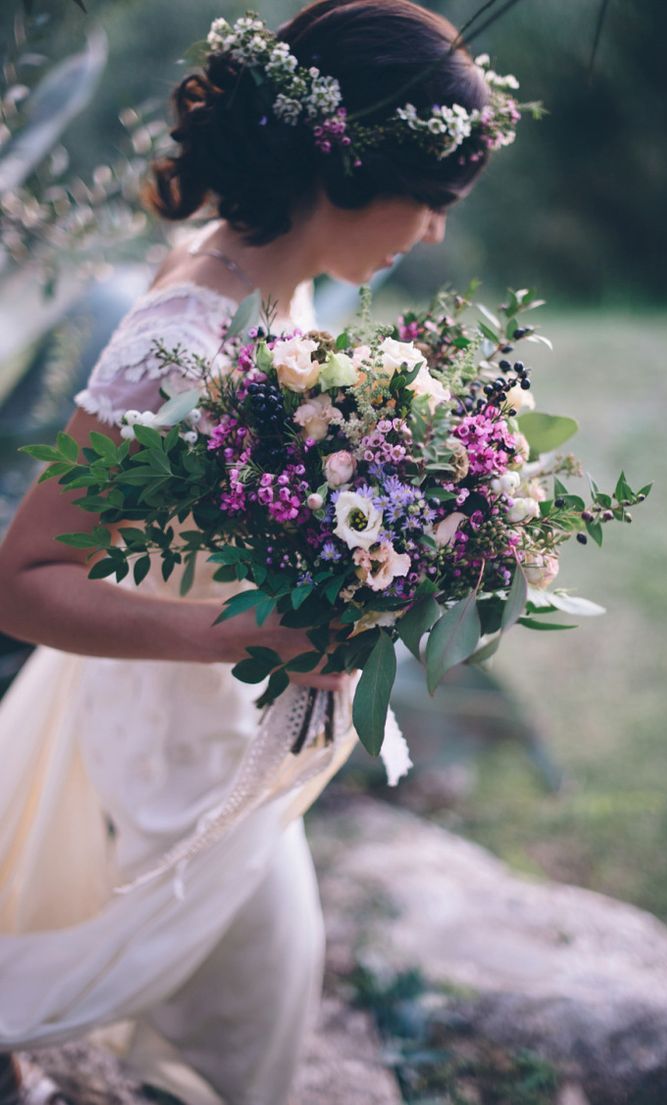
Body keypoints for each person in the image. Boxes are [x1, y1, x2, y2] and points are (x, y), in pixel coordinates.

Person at [0, 1, 522, 1102]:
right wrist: (248, 632)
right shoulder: (184, 328)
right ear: (340, 167)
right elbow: (23, 579)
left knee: (258, 1024)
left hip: (238, 734)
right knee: (254, 1030)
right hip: (178, 754)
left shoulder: (274, 288)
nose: (429, 231)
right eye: (427, 201)